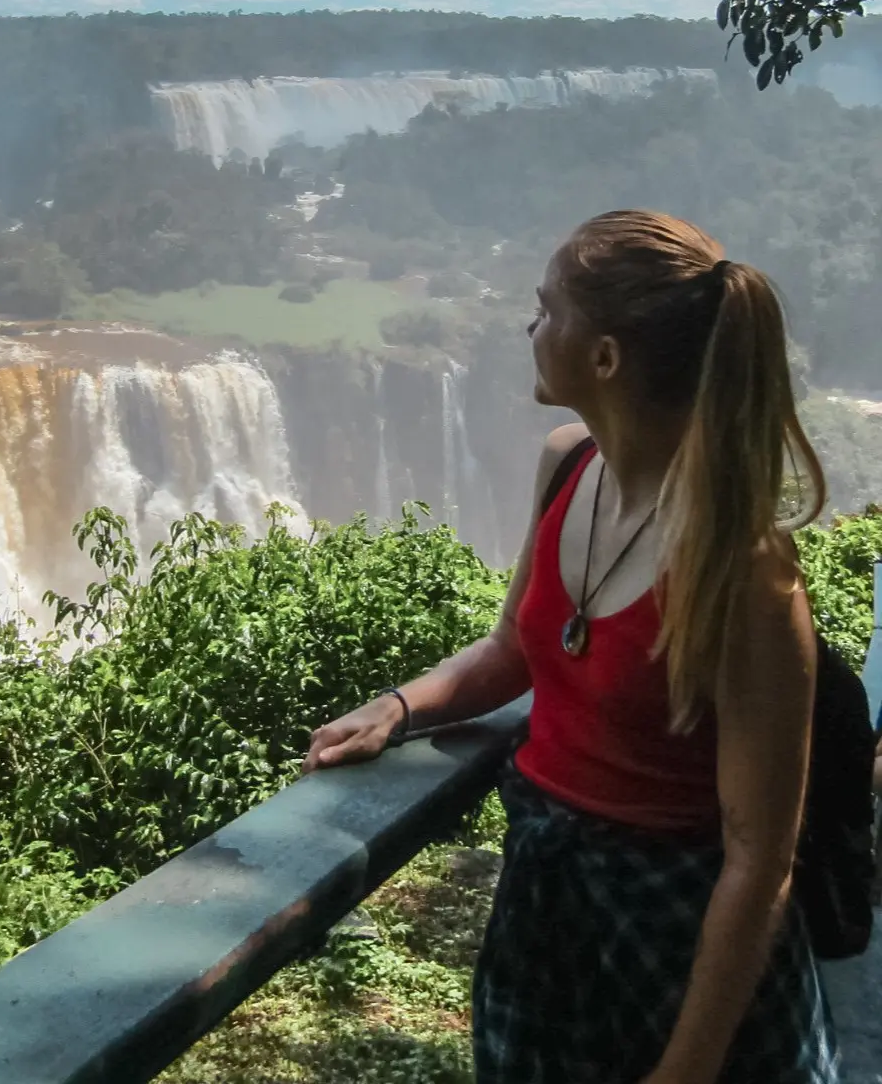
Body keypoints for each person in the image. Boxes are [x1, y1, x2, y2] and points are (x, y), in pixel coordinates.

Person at [304, 210, 839, 1083]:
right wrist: (401, 706)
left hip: (681, 933)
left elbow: (759, 858)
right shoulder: (567, 467)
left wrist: (687, 1068)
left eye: (547, 310)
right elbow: (513, 649)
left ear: (605, 358)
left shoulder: (743, 569)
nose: (530, 327)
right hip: (545, 902)